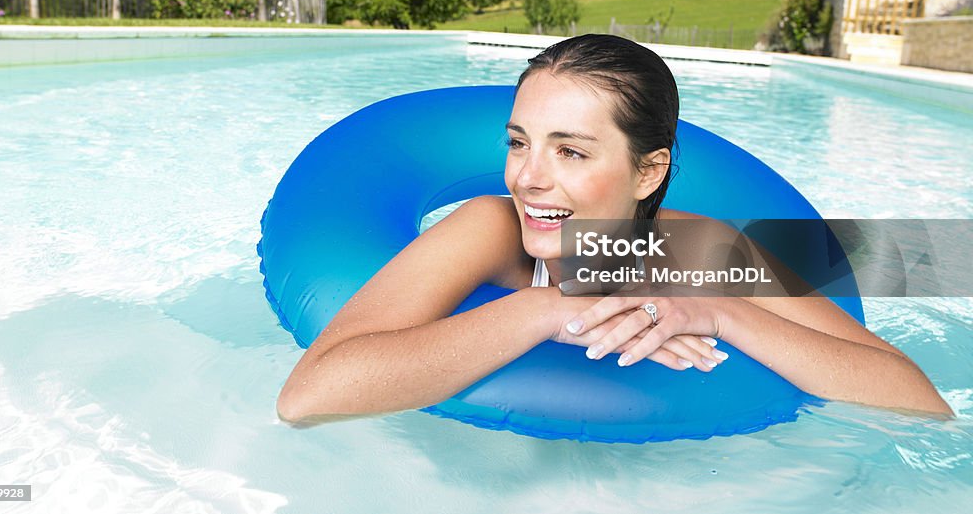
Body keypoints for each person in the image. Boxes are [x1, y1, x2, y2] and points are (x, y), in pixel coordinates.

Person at [277, 34, 952, 423]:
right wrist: (545, 308)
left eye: (570, 151)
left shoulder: (699, 248)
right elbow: (308, 396)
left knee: (881, 254)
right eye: (519, 142)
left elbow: (917, 397)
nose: (528, 177)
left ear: (647, 171)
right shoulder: (490, 227)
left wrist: (723, 316)